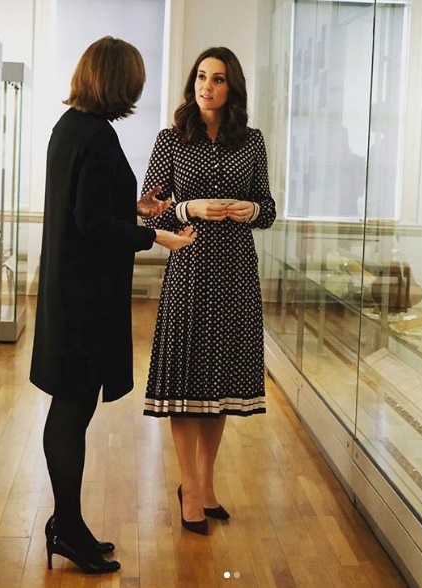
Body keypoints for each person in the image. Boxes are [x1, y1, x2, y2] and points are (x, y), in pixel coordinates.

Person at [31, 37, 196, 574]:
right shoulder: (98, 135)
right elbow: (92, 224)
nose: (137, 92)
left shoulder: (70, 126)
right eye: (134, 82)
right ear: (118, 82)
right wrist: (155, 235)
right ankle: (68, 528)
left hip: (67, 292)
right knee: (72, 409)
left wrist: (135, 207)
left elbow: (87, 206)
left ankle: (68, 525)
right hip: (84, 299)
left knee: (69, 406)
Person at [140, 47, 276, 535]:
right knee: (186, 382)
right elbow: (146, 210)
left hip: (236, 270)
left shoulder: (251, 140)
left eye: (217, 79)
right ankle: (190, 488)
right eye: (201, 77)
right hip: (190, 267)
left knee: (219, 386)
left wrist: (251, 211)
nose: (207, 86)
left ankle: (205, 483)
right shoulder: (171, 138)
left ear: (231, 86)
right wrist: (188, 208)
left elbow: (268, 207)